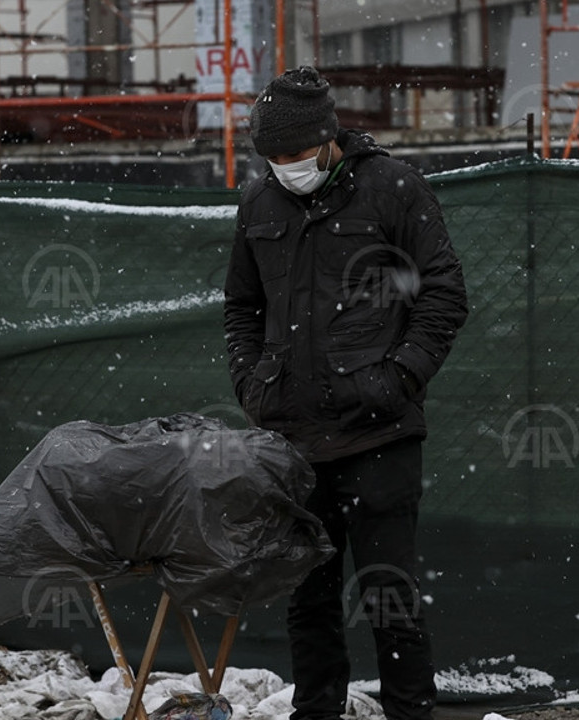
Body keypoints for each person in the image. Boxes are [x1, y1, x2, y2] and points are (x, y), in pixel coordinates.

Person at [222, 66, 469, 720]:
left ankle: (411, 712)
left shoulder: (393, 189)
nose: (284, 168)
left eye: (296, 156)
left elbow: (442, 294)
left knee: (391, 597)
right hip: (295, 443)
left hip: (379, 435)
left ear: (329, 138)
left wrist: (399, 378)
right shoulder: (258, 205)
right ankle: (317, 713)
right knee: (308, 601)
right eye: (271, 158)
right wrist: (253, 385)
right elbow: (241, 308)